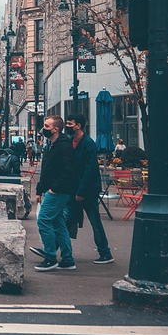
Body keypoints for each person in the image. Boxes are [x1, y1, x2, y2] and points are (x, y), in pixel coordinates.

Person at [66, 112, 113, 264]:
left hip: (88, 191)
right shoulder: (71, 141)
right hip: (74, 189)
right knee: (67, 220)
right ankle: (52, 250)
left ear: (78, 126)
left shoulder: (88, 143)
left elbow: (90, 170)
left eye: (70, 124)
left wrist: (81, 191)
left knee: (94, 221)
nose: (67, 126)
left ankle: (105, 252)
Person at [31, 114, 76, 271]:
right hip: (56, 189)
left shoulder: (63, 146)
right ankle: (67, 258)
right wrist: (39, 190)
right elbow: (47, 170)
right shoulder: (52, 144)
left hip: (59, 191)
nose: (44, 129)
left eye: (47, 126)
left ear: (56, 129)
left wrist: (53, 189)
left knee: (43, 220)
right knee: (58, 223)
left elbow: (69, 171)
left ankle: (50, 257)